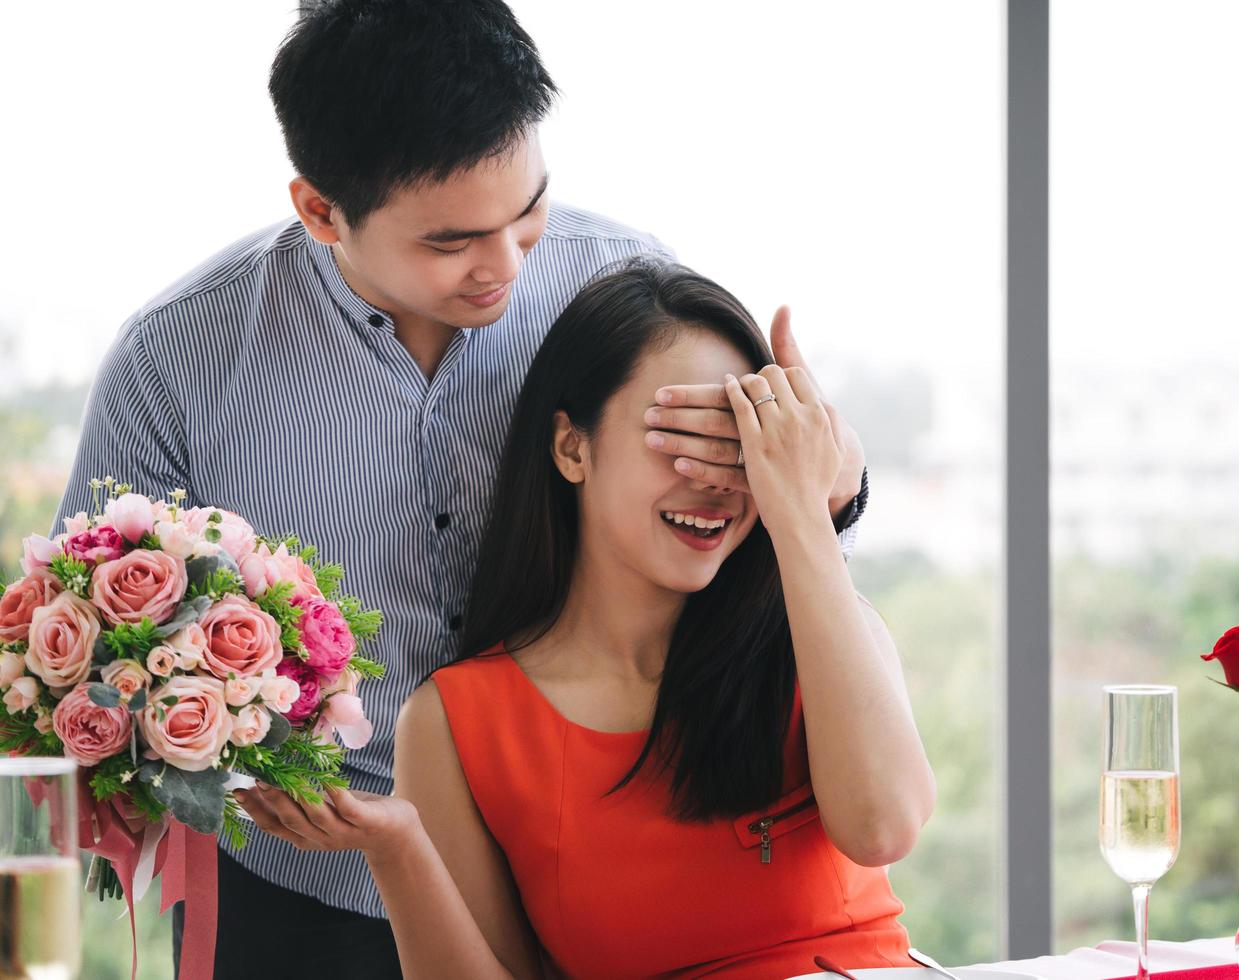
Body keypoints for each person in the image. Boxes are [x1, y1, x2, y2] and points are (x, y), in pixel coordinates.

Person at [49, 3, 868, 977]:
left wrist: (837, 478)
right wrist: (211, 761)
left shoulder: (625, 287)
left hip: (584, 866)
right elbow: (83, 661)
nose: (506, 265)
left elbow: (740, 519)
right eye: (451, 242)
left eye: (528, 212)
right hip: (299, 884)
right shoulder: (178, 357)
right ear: (320, 209)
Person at [237, 257, 934, 979]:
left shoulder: (815, 629)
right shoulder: (462, 721)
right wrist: (397, 846)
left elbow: (884, 826)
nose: (716, 482)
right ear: (573, 446)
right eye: (682, 439)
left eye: (740, 447)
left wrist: (799, 510)